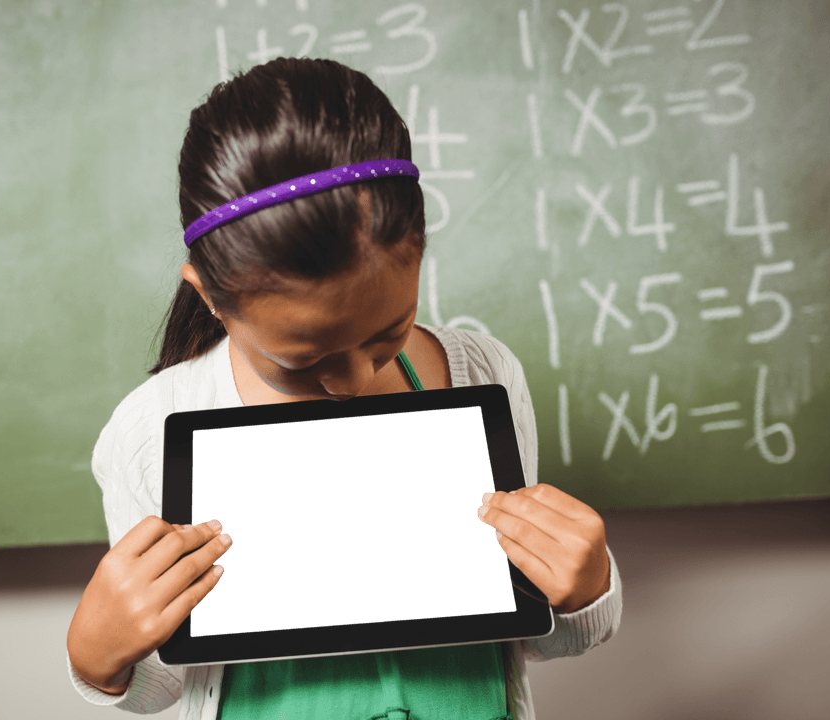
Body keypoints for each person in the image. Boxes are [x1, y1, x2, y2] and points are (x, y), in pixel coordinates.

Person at [66, 57, 622, 720]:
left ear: (418, 247)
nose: (355, 382)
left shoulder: (482, 372)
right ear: (211, 298)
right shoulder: (153, 430)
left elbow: (528, 626)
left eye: (388, 332)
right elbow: (167, 682)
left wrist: (586, 591)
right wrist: (97, 660)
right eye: (301, 359)